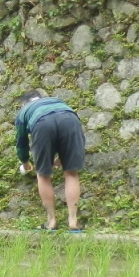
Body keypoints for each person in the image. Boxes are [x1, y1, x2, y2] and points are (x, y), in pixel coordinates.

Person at [14, 89, 85, 232]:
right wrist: (61, 158)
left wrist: (25, 163)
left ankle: (51, 222)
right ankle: (73, 221)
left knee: (43, 175)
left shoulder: (24, 111)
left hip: (42, 124)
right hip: (70, 119)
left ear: (24, 104)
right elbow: (72, 129)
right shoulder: (56, 101)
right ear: (40, 98)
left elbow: (21, 143)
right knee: (71, 173)